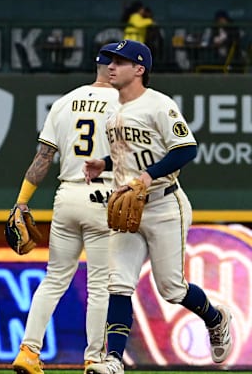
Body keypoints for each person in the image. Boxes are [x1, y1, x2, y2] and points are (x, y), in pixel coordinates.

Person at [83, 40, 233, 374]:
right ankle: (113, 360)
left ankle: (217, 317)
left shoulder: (159, 105)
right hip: (128, 205)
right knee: (118, 284)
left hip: (165, 206)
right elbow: (131, 156)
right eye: (109, 61)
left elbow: (185, 149)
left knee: (172, 288)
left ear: (139, 69)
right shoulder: (111, 110)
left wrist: (148, 177)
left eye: (120, 62)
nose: (111, 67)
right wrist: (104, 164)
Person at [10, 43, 120, 374]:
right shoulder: (126, 103)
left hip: (67, 195)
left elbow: (43, 158)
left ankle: (28, 351)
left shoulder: (64, 101)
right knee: (100, 284)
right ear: (118, 68)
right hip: (105, 196)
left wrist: (21, 200)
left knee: (54, 278)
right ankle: (94, 358)